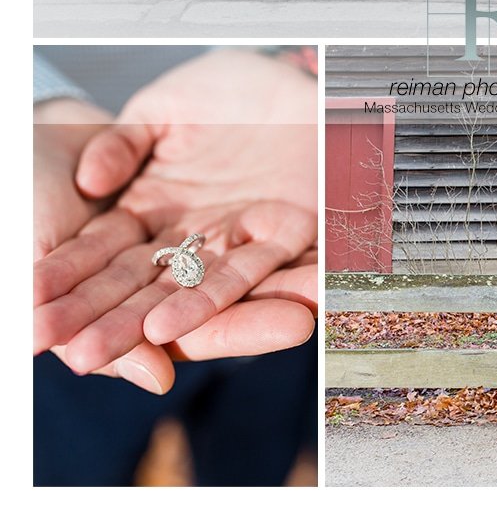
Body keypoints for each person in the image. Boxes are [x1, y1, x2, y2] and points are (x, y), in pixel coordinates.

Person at [33, 48, 319, 485]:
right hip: (92, 270)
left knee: (252, 465)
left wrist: (316, 75)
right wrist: (40, 107)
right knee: (73, 470)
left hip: (284, 294)